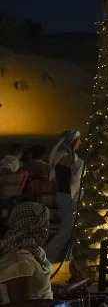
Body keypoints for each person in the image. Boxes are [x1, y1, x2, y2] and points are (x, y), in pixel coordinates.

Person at [0, 202, 53, 303]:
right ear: (34, 226)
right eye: (45, 222)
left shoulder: (35, 252)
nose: (47, 227)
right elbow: (22, 304)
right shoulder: (19, 260)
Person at [44, 129, 82, 262]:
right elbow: (76, 169)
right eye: (78, 141)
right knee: (66, 231)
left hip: (69, 196)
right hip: (67, 197)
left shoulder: (68, 154)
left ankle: (66, 259)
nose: (80, 143)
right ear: (72, 142)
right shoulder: (63, 155)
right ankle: (48, 258)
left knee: (71, 231)